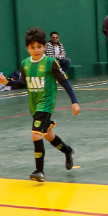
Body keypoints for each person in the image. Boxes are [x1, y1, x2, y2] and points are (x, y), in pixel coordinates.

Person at [21, 27, 80, 182]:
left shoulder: (50, 62)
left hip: (46, 104)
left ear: (43, 47)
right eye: (32, 47)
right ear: (27, 49)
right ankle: (68, 151)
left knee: (35, 134)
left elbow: (64, 81)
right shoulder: (25, 64)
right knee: (48, 135)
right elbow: (21, 83)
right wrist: (6, 82)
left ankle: (39, 171)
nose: (36, 50)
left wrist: (74, 101)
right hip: (34, 105)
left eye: (39, 47)